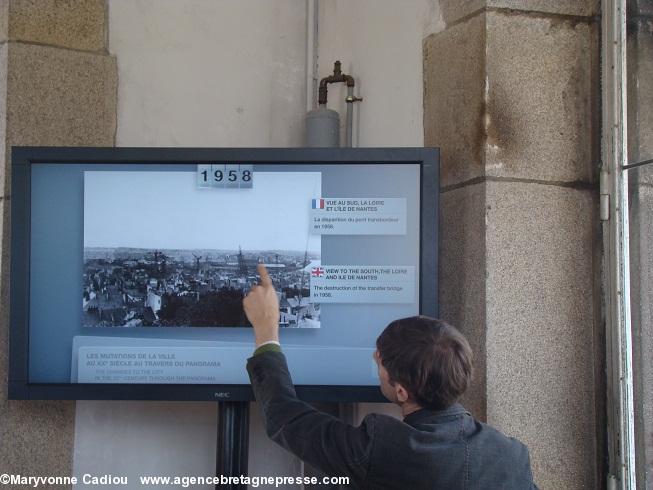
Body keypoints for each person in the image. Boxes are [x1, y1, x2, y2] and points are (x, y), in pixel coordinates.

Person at [244, 264, 538, 489]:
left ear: (401, 392)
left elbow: (285, 417)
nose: (375, 359)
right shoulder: (513, 456)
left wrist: (266, 330)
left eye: (381, 363)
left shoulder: (384, 450)